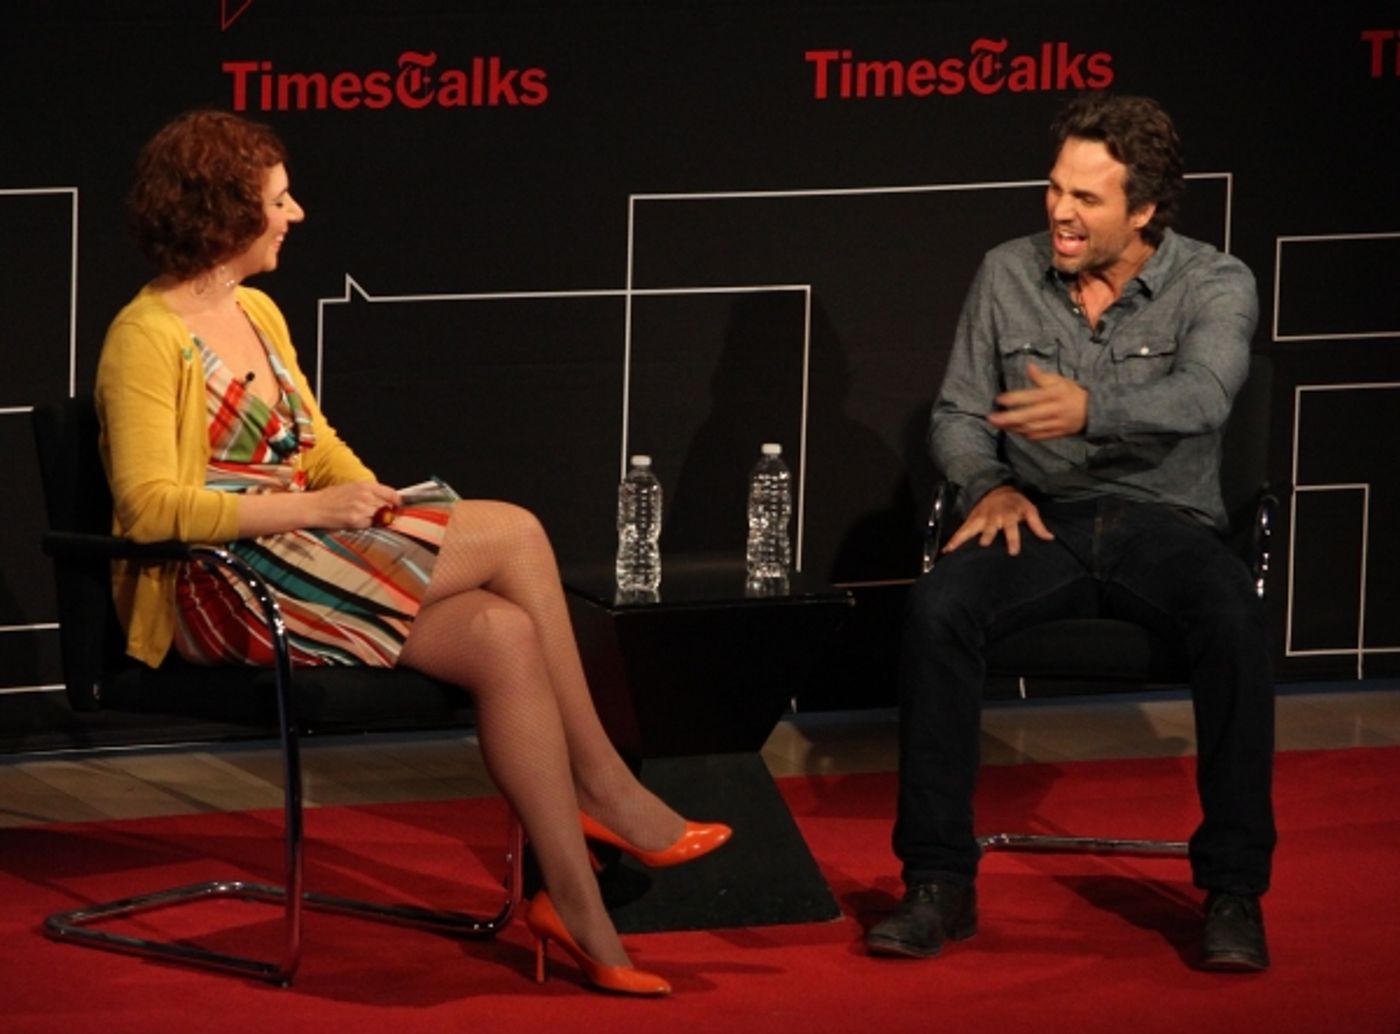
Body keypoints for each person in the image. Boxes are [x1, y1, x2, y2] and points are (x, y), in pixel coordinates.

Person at [96, 109, 731, 997]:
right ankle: (606, 786)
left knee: (504, 635)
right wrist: (326, 508)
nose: (298, 213)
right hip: (223, 588)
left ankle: (579, 912)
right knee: (512, 529)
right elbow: (147, 510)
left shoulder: (261, 312)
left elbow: (316, 446)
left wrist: (376, 503)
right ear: (224, 212)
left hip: (306, 550)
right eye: (280, 199)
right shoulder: (146, 336)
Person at [865, 94, 1275, 971]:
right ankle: (938, 883)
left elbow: (1206, 396)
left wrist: (1093, 407)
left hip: (1166, 525)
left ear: (1147, 208)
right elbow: (958, 413)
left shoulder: (1216, 281)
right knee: (939, 610)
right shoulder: (1005, 273)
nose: (1060, 212)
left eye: (1087, 199)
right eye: (1055, 190)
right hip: (1038, 520)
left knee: (1234, 615)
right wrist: (986, 483)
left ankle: (1235, 892)